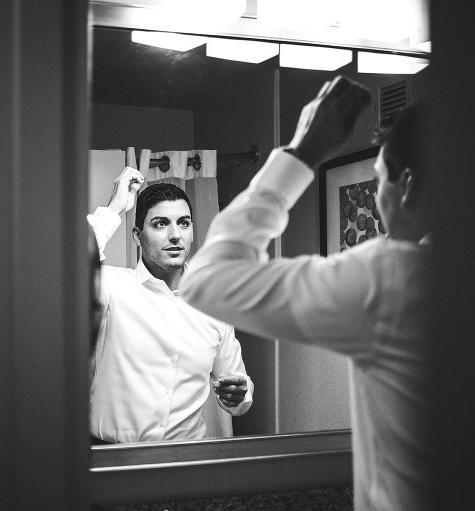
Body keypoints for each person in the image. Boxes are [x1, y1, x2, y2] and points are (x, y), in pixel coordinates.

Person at [180, 76, 432, 510]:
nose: (376, 202)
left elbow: (206, 279)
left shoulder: (394, 278)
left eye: (379, 182)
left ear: (406, 185)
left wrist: (304, 152)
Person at [86, 171, 254, 444]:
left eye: (184, 223)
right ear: (137, 236)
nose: (175, 235)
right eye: (161, 224)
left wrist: (239, 394)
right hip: (111, 458)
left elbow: (238, 387)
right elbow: (65, 263)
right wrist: (115, 207)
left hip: (186, 461)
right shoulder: (111, 287)